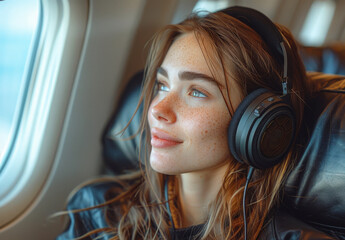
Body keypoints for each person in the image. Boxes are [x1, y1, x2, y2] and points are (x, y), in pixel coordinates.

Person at [57, 6, 333, 240]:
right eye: (162, 85)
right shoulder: (96, 212)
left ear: (258, 123)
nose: (157, 110)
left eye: (196, 92)